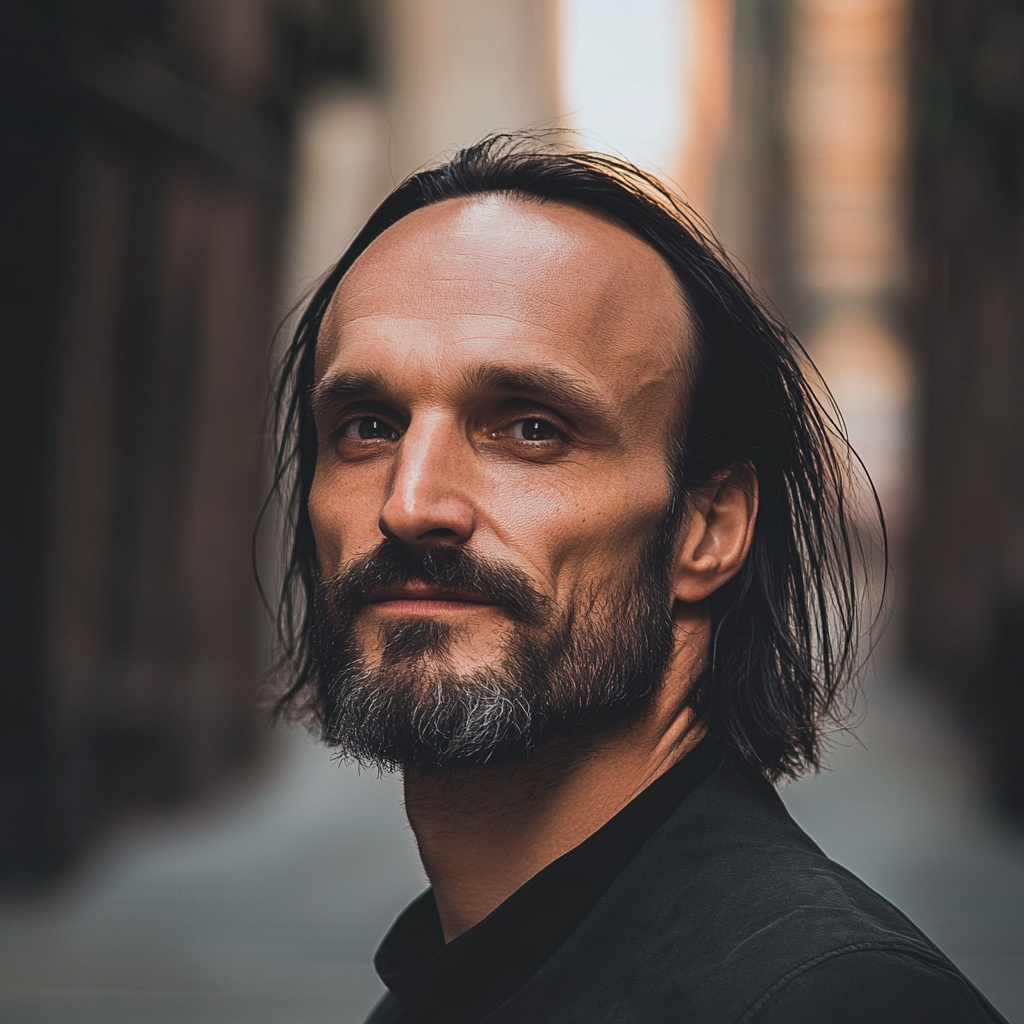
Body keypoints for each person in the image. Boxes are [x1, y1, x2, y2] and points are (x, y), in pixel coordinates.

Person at [264, 136, 1007, 1024]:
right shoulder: (454, 981)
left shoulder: (834, 1001)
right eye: (368, 425)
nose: (411, 502)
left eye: (531, 428)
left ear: (707, 529)